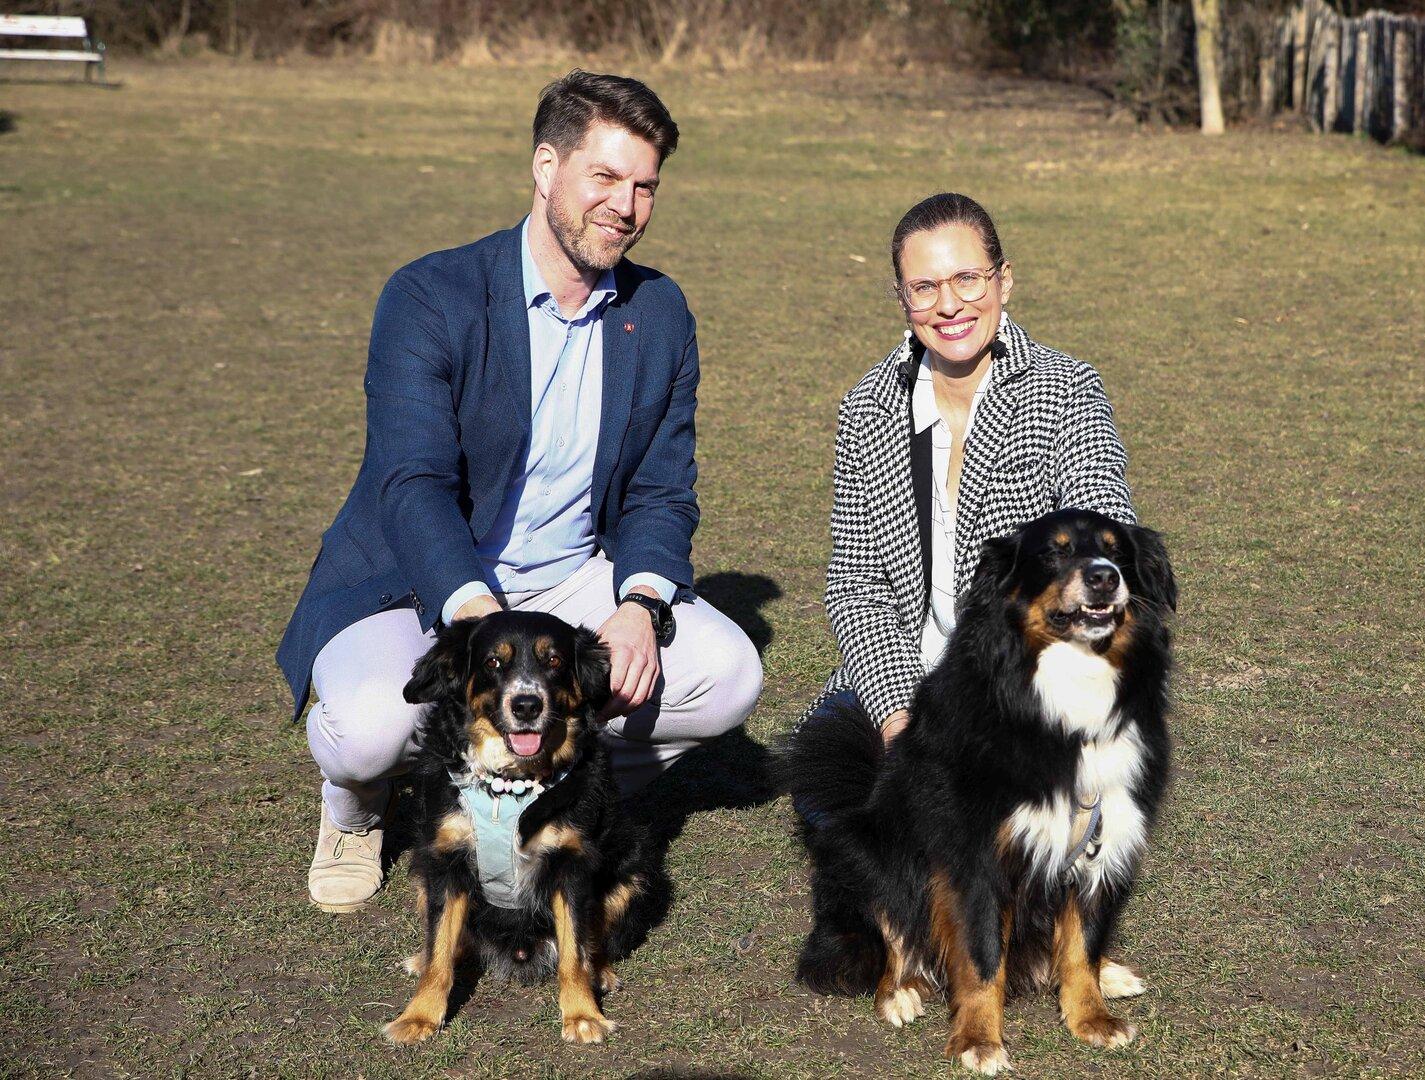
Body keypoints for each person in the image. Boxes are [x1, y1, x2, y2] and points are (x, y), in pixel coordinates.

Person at [279, 71, 764, 913]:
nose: (626, 206)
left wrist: (640, 604)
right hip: (419, 579)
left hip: (570, 576)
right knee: (369, 732)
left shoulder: (660, 312)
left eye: (645, 186)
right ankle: (356, 811)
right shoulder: (431, 296)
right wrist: (476, 623)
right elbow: (412, 482)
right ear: (546, 168)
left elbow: (662, 488)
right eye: (605, 177)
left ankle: (541, 791)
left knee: (728, 676)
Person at [802, 192, 1136, 746]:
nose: (949, 305)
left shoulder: (1067, 390)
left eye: (967, 279)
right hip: (905, 676)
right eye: (924, 287)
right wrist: (898, 718)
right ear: (902, 298)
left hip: (1033, 677)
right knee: (823, 774)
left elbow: (1103, 536)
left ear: (1003, 280)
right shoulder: (867, 408)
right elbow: (856, 584)